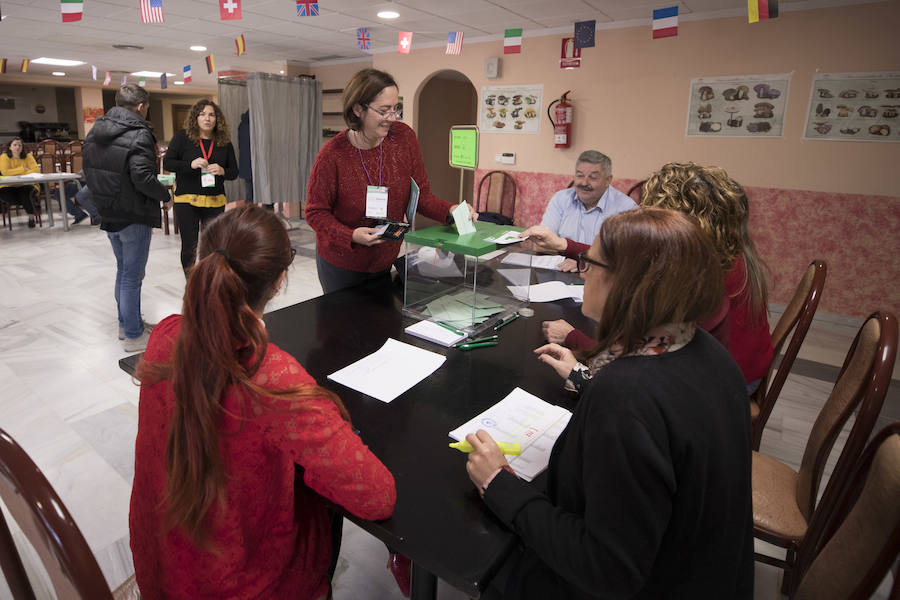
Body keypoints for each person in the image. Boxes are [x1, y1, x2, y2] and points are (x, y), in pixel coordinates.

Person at [464, 208, 754, 600]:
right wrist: (584, 378)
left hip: (643, 585)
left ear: (628, 284)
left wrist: (499, 484)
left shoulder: (625, 397)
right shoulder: (707, 350)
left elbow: (608, 568)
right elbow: (667, 418)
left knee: (480, 554)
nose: (583, 272)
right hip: (704, 571)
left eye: (591, 262)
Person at [130, 205, 396, 599]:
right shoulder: (271, 378)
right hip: (243, 585)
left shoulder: (166, 336)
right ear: (280, 280)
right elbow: (377, 496)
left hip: (161, 567)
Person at [306, 68, 476, 294]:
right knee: (345, 327)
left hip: (385, 258)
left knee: (380, 324)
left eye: (395, 108)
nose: (392, 118)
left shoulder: (403, 138)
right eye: (384, 110)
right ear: (358, 109)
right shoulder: (332, 155)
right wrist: (352, 235)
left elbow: (421, 196)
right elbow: (315, 213)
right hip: (342, 264)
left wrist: (451, 210)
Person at [640, 163, 773, 393]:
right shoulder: (728, 249)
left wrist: (578, 341)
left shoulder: (702, 272)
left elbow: (654, 348)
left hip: (728, 382)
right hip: (744, 364)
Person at [83, 83, 170, 353]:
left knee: (123, 271)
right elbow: (143, 177)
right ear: (142, 107)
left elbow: (89, 171)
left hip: (109, 211)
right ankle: (133, 336)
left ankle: (126, 323)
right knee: (133, 276)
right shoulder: (139, 134)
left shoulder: (95, 132)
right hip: (133, 213)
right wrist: (165, 194)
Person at [526, 150, 636, 272]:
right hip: (561, 272)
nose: (584, 182)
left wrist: (582, 261)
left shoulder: (626, 208)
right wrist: (576, 256)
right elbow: (541, 245)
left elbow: (622, 257)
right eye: (580, 176)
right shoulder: (561, 199)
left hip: (602, 276)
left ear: (608, 180)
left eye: (593, 177)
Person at [164, 99, 238, 273]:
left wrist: (222, 170)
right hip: (187, 201)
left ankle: (207, 281)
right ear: (195, 118)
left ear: (217, 119)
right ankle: (191, 284)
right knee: (189, 245)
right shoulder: (182, 137)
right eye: (202, 114)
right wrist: (189, 164)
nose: (207, 118)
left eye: (212, 114)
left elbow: (234, 172)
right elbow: (168, 163)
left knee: (212, 246)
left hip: (215, 201)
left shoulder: (224, 142)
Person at [0, 137, 40, 228]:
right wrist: (23, 169)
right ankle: (28, 204)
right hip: (9, 185)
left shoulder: (28, 156)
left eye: (19, 145)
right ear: (10, 147)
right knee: (3, 194)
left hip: (27, 184)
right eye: (15, 145)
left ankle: (31, 218)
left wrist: (14, 171)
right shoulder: (4, 157)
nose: (17, 147)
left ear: (22, 147)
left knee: (26, 193)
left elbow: (36, 170)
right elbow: (5, 172)